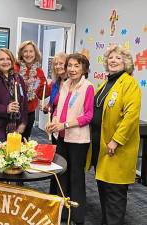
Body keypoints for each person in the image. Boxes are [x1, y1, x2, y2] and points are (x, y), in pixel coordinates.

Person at [90, 44, 141, 225]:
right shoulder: (106, 82)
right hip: (100, 148)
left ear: (126, 63)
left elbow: (131, 116)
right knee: (103, 189)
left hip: (115, 149)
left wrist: (116, 141)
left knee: (115, 194)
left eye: (118, 58)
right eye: (110, 58)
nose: (113, 60)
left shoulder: (129, 83)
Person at [46, 53, 94, 225]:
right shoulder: (65, 84)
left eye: (76, 66)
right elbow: (58, 109)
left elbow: (88, 116)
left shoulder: (87, 87)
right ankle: (63, 214)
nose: (72, 69)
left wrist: (64, 125)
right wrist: (53, 123)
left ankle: (78, 217)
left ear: (84, 69)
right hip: (61, 137)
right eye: (70, 66)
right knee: (62, 176)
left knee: (76, 177)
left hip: (78, 140)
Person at [15, 40, 50, 140]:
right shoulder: (14, 68)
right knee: (12, 140)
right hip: (15, 112)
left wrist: (55, 83)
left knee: (24, 140)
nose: (28, 54)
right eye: (25, 51)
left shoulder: (39, 72)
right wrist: (24, 84)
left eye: (31, 51)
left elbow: (42, 93)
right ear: (21, 53)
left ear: (35, 54)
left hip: (29, 113)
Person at [42, 52, 67, 145]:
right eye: (55, 64)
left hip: (66, 123)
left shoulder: (72, 83)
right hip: (54, 121)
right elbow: (53, 103)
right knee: (56, 149)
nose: (58, 66)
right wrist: (47, 107)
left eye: (61, 63)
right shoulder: (55, 83)